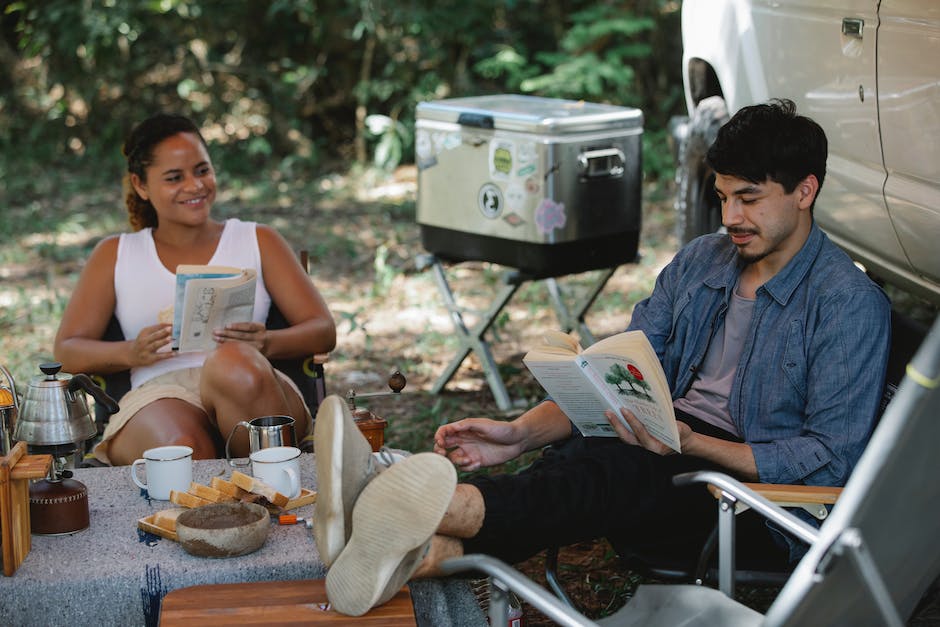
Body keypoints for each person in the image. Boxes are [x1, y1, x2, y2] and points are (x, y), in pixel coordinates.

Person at [310, 99, 892, 616]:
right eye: (721, 197)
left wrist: (692, 445)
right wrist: (518, 435)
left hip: (747, 509)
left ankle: (411, 503)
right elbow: (611, 377)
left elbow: (829, 458)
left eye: (749, 199)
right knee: (585, 466)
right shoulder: (701, 263)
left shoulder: (848, 305)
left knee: (618, 469)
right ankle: (425, 555)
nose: (730, 218)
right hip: (649, 461)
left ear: (805, 190)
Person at [53, 113, 336, 466]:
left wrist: (267, 343)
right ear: (141, 185)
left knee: (232, 360)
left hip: (252, 384)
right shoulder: (117, 253)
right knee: (183, 449)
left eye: (202, 170)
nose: (195, 185)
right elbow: (66, 351)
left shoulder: (256, 239)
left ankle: (273, 497)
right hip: (159, 391)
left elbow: (323, 331)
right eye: (175, 177)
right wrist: (131, 353)